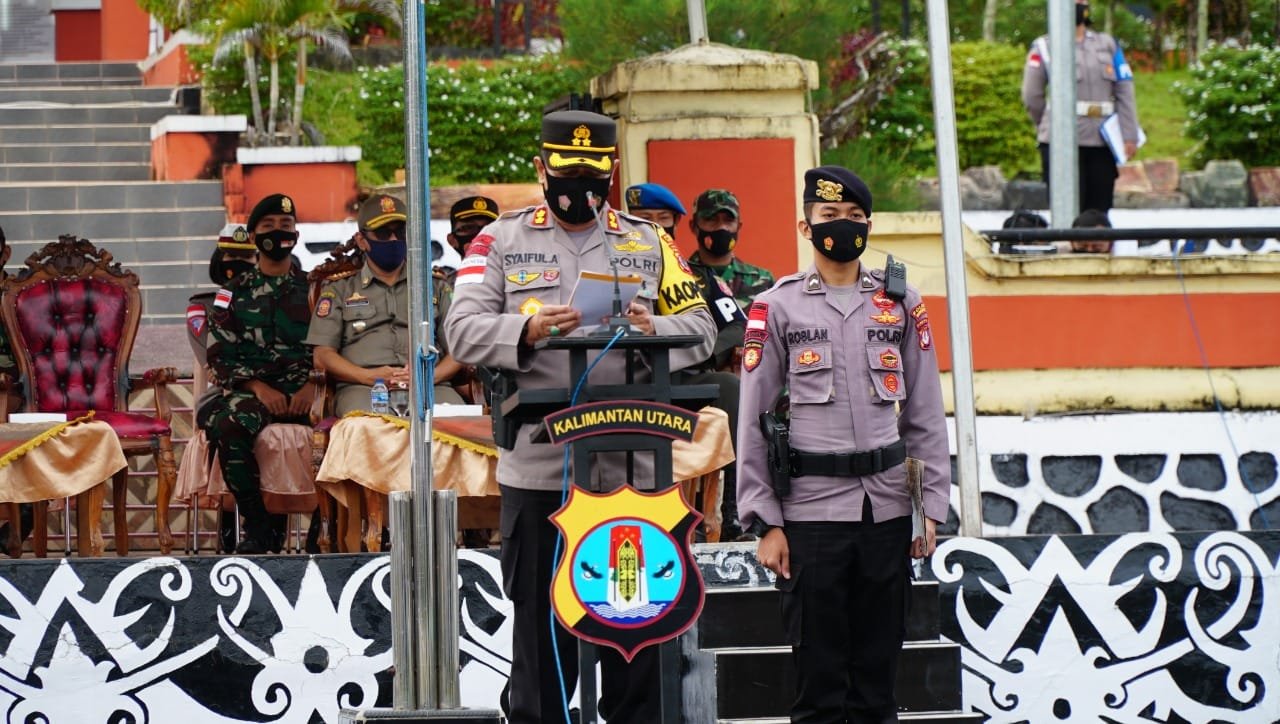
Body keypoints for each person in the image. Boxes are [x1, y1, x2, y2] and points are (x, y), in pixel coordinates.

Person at [445, 109, 716, 724]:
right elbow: (459, 329)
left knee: (635, 632)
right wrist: (526, 329)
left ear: (611, 172)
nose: (579, 186)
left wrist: (654, 327)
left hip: (634, 469)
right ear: (541, 169)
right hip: (542, 466)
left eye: (592, 174)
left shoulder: (646, 241)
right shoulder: (499, 239)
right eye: (566, 172)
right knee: (543, 647)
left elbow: (702, 327)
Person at [737, 166, 950, 723]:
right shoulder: (776, 306)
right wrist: (765, 521)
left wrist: (928, 510)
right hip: (810, 517)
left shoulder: (901, 302)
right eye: (829, 215)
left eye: (855, 216)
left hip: (887, 512)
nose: (843, 225)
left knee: (878, 687)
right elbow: (755, 419)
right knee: (819, 688)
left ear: (869, 226)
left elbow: (925, 414)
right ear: (805, 227)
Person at [626, 181, 750, 539]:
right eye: (643, 219)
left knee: (730, 387)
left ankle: (734, 513)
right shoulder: (607, 266)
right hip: (624, 380)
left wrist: (693, 351)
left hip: (680, 379)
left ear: (676, 225)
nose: (652, 227)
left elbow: (737, 326)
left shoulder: (698, 276)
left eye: (661, 220)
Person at [199, 193, 318, 554]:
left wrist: (313, 387)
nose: (278, 232)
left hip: (312, 391)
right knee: (228, 425)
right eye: (268, 226)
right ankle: (258, 526)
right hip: (254, 392)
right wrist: (257, 387)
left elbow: (333, 346)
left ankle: (321, 531)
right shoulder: (232, 294)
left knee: (348, 427)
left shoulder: (317, 289)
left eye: (286, 225)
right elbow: (219, 356)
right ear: (253, 237)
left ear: (296, 235)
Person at [306, 193, 464, 414]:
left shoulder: (434, 286)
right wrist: (367, 376)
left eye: (400, 232)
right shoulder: (339, 290)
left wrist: (428, 377)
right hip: (363, 387)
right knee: (366, 427)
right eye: (382, 233)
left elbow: (460, 349)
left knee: (459, 424)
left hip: (431, 385)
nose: (393, 240)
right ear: (362, 240)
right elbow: (322, 355)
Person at [1022, 0, 1140, 213]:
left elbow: (1124, 90)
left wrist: (1129, 135)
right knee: (1065, 209)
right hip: (1060, 140)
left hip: (1101, 139)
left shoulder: (1107, 44)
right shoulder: (1044, 46)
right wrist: (1048, 124)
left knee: (1099, 210)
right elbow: (1032, 95)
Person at [688, 188, 775, 311]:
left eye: (729, 220)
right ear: (693, 226)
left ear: (739, 226)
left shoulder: (763, 281)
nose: (721, 227)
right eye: (711, 219)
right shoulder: (678, 277)